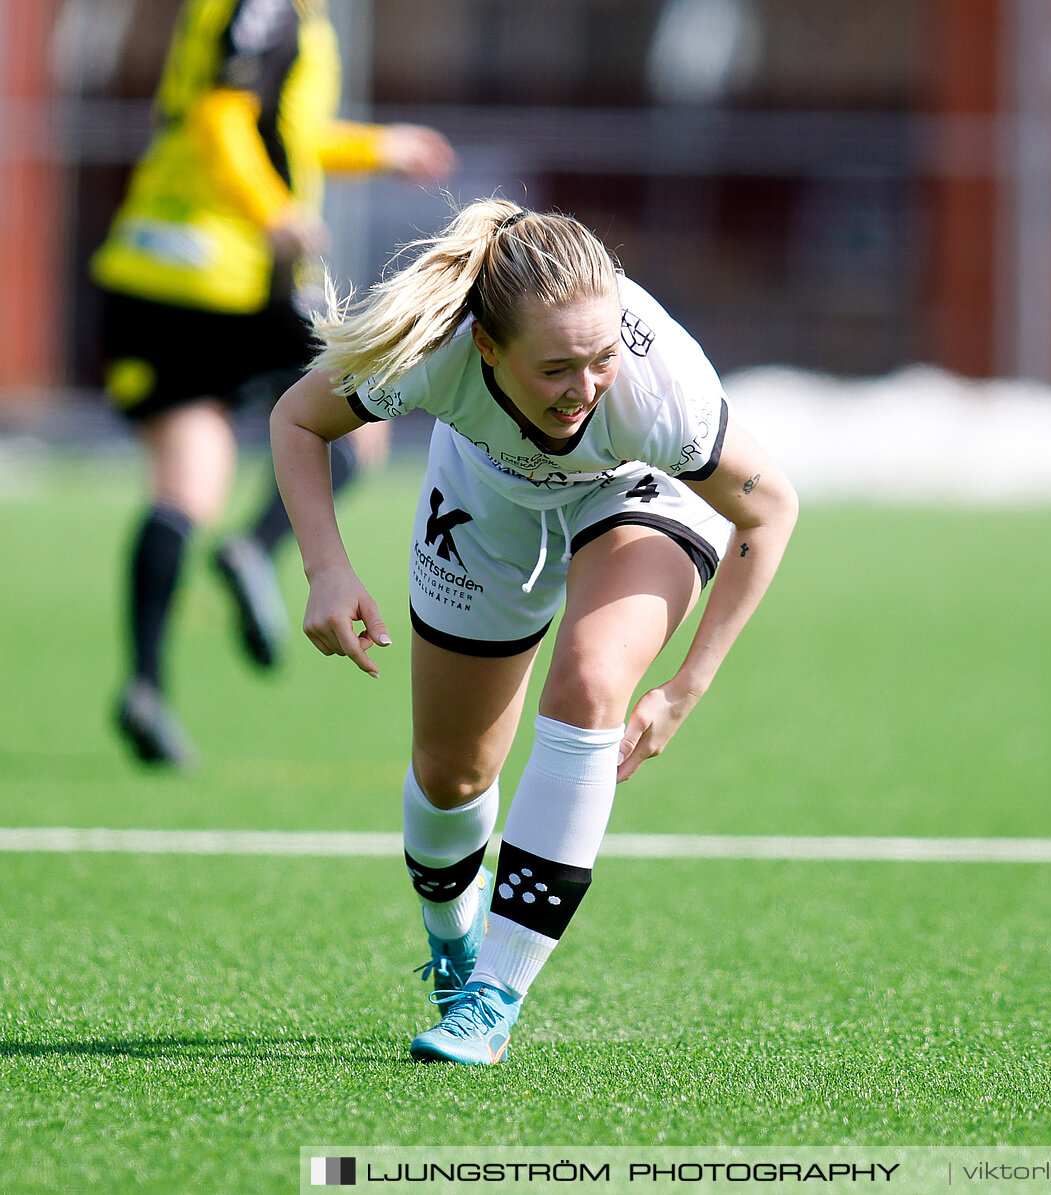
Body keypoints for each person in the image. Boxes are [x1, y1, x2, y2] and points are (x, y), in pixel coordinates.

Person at [270, 199, 799, 1065]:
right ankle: (454, 939)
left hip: (634, 491)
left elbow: (770, 509)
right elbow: (297, 421)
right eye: (555, 368)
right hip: (486, 504)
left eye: (598, 360)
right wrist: (328, 567)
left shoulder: (657, 391)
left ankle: (494, 999)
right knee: (451, 776)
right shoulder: (432, 351)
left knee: (591, 680)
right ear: (487, 349)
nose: (585, 386)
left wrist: (683, 688)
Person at [92, 0, 457, 768]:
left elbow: (272, 129)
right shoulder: (264, 4)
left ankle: (146, 685)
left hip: (146, 271)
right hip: (225, 275)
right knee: (359, 417)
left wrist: (374, 147)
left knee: (186, 484)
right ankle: (255, 552)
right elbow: (223, 117)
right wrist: (275, 211)